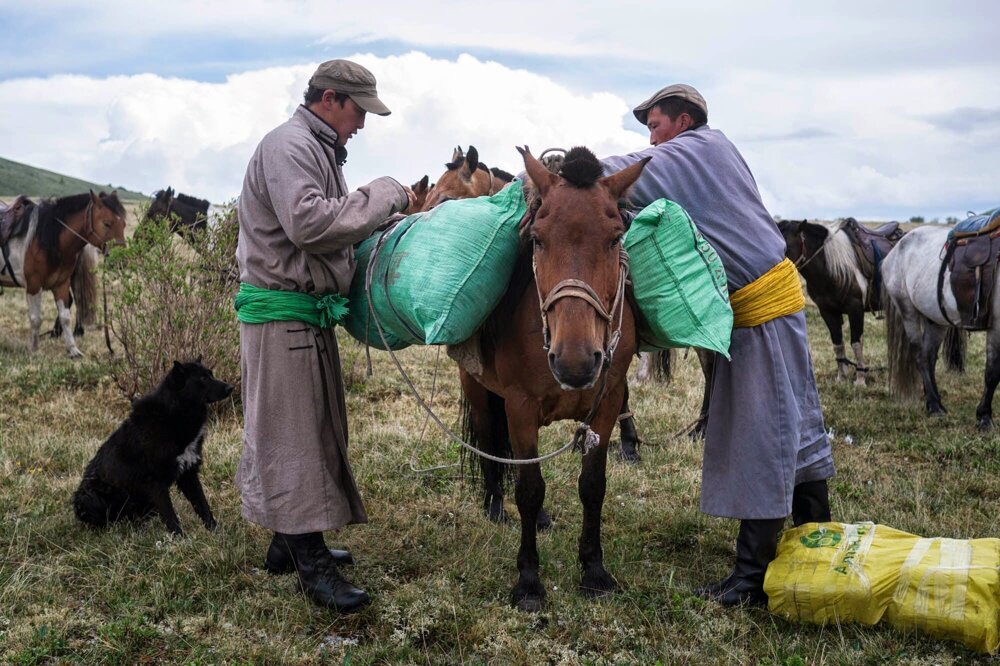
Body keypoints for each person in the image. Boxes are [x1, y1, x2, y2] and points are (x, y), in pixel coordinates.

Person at [601, 84, 834, 606]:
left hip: (760, 313)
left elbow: (616, 169)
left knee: (763, 429)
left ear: (682, 121)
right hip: (773, 305)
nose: (651, 137)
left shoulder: (692, 151)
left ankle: (751, 578)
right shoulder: (714, 151)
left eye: (655, 125)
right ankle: (816, 531)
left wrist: (548, 169)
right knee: (792, 420)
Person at [234, 58, 416, 613]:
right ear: (330, 98)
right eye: (358, 111)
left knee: (303, 428)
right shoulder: (290, 146)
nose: (361, 124)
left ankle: (285, 545)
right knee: (295, 437)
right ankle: (310, 567)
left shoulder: (313, 146)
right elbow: (310, 224)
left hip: (301, 315)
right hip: (284, 315)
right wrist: (382, 195)